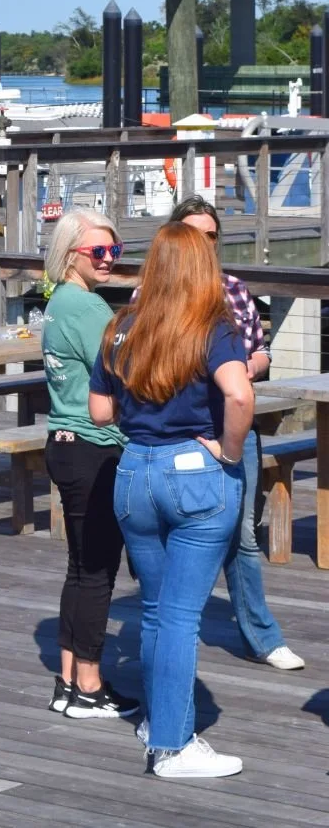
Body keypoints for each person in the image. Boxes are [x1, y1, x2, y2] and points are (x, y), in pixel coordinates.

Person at [89, 222, 253, 779]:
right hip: (196, 473)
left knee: (157, 613)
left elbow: (100, 413)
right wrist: (228, 453)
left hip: (135, 471)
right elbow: (238, 391)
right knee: (182, 616)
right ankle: (175, 746)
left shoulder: (121, 327)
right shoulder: (212, 328)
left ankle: (159, 722)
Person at [169, 195, 303, 671]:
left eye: (211, 235)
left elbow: (262, 355)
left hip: (233, 425)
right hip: (177, 431)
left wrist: (243, 365)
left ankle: (261, 636)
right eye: (193, 234)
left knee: (242, 533)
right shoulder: (155, 295)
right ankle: (172, 628)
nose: (204, 244)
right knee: (172, 531)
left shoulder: (233, 290)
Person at [41, 209, 138, 720]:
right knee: (97, 571)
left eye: (114, 251)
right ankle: (90, 685)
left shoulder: (59, 303)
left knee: (81, 567)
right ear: (70, 255)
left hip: (65, 441)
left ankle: (69, 680)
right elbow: (132, 372)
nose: (108, 261)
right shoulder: (88, 309)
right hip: (95, 446)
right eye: (98, 252)